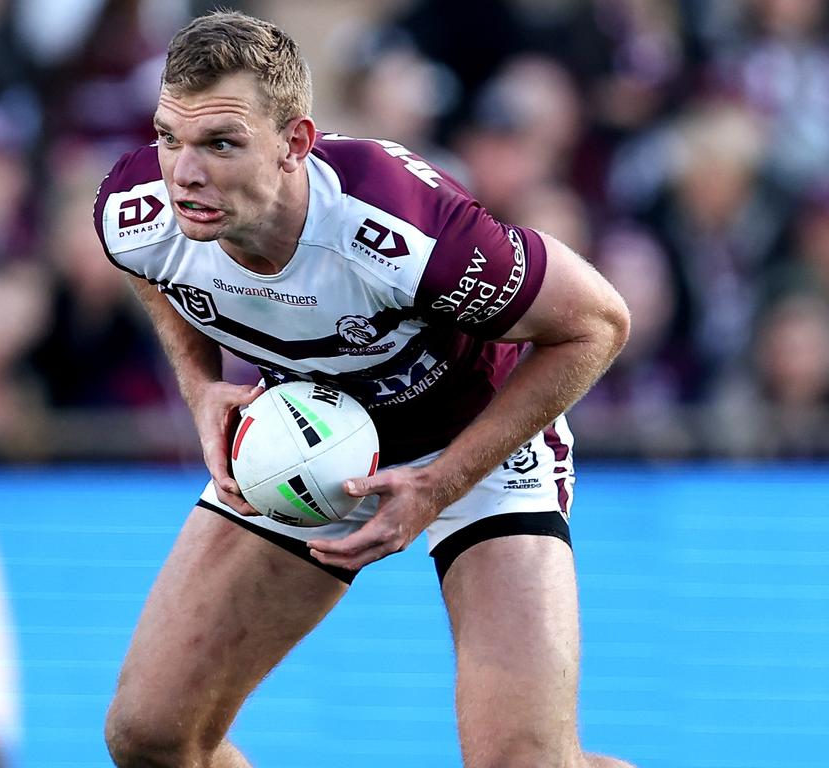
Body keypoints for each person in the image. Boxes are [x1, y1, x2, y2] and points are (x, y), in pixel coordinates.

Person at [93, 11, 633, 768]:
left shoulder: (401, 228)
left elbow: (599, 323)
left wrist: (442, 482)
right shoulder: (136, 208)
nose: (184, 172)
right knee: (150, 738)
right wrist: (201, 386)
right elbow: (150, 268)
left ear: (295, 145)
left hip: (477, 444)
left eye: (221, 143)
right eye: (168, 137)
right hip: (311, 435)